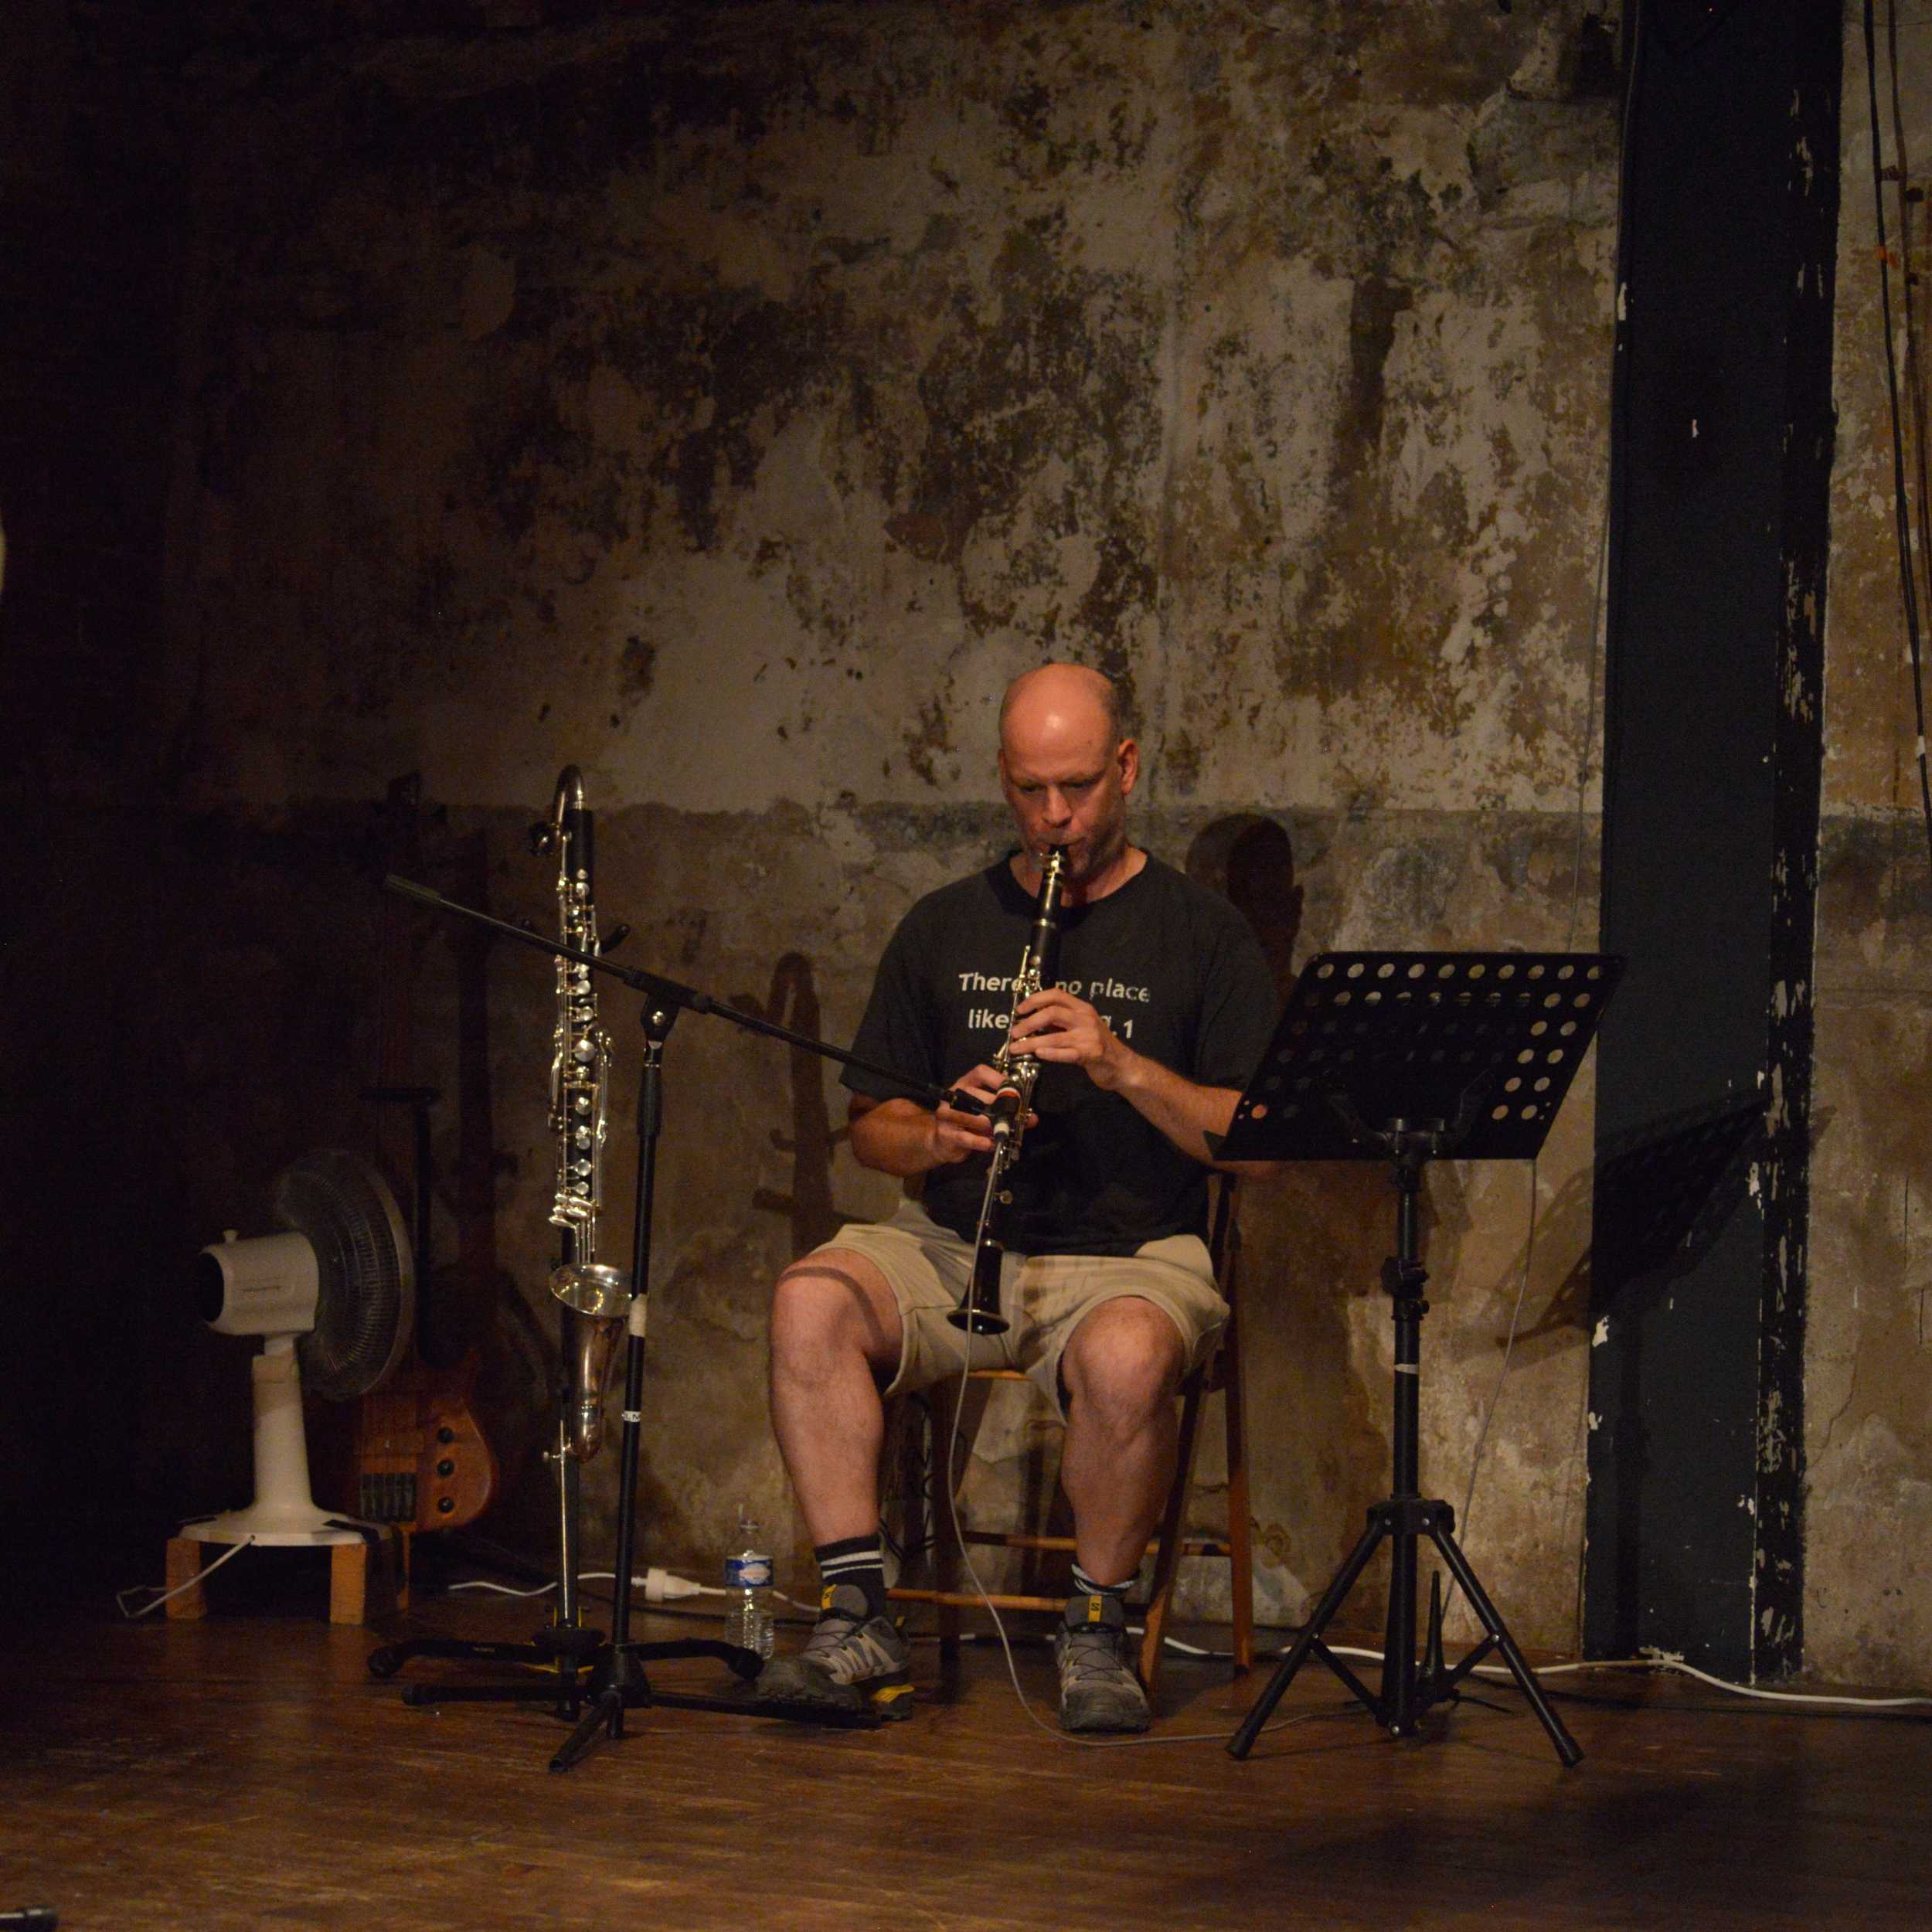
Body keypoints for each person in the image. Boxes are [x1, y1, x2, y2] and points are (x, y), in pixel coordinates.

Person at [756, 663, 1277, 1732]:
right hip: (954, 1241)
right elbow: (874, 1128)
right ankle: (858, 1614)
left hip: (1132, 1257)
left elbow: (1260, 1148)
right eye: (1030, 790)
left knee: (1128, 1358)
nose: (1054, 818)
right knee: (808, 1301)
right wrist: (936, 1131)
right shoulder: (944, 924)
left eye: (1077, 788)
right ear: (1003, 777)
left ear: (1125, 768)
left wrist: (1122, 1065)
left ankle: (1096, 1627)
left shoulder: (1202, 934)